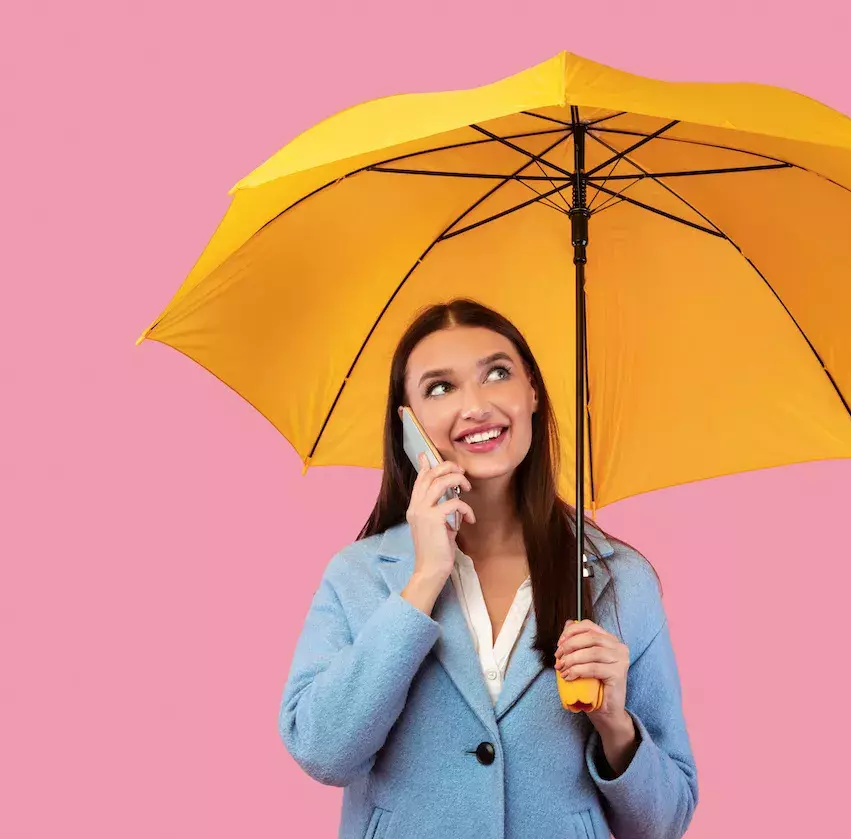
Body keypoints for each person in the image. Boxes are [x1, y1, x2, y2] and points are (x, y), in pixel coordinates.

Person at [279, 298, 698, 839]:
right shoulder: (358, 576)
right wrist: (424, 580)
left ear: (532, 393)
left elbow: (666, 822)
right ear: (408, 424)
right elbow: (322, 752)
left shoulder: (621, 580)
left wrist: (615, 725)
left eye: (496, 374)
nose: (475, 406)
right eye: (440, 387)